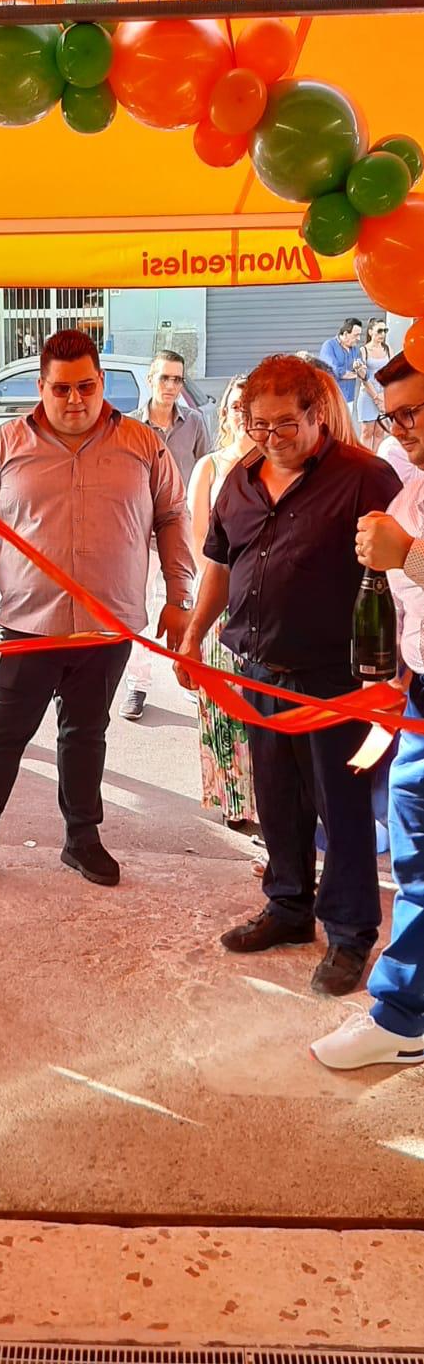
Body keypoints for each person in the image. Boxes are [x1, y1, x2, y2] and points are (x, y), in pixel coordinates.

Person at [0, 328, 195, 896]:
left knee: (86, 733)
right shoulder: (4, 445)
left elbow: (173, 516)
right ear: (40, 388)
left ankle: (82, 838)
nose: (75, 400)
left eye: (86, 387)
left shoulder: (143, 444)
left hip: (107, 627)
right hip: (25, 625)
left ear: (102, 383)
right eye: (61, 388)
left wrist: (179, 597)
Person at [177, 353, 401, 995]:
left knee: (342, 809)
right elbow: (220, 564)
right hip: (257, 671)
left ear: (316, 413)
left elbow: (402, 578)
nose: (270, 438)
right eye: (258, 425)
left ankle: (351, 934)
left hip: (336, 681)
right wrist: (194, 636)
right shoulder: (239, 480)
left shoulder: (366, 477)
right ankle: (288, 908)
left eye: (284, 424)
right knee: (276, 799)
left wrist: (393, 674)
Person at [312, 350, 424, 1067]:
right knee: (415, 859)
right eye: (392, 416)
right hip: (417, 700)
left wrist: (406, 554)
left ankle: (402, 1015)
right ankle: (405, 1012)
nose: (401, 428)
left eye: (413, 412)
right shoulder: (409, 493)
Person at [119, 348, 210, 721]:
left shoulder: (195, 423)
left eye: (177, 379)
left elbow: (205, 469)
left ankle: (186, 675)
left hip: (183, 532)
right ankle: (137, 684)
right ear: (150, 380)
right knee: (139, 609)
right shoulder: (130, 426)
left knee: (187, 605)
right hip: (140, 534)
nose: (171, 386)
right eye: (164, 378)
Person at [187, 377, 257, 829]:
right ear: (225, 413)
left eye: (250, 406)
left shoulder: (278, 465)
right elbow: (199, 541)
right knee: (223, 704)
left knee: (263, 704)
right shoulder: (209, 467)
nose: (242, 414)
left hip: (264, 606)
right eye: (235, 406)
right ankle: (234, 800)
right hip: (219, 603)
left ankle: (270, 798)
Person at [356, 317, 390, 451]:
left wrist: (384, 395)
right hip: (368, 394)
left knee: (380, 432)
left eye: (385, 331)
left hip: (383, 394)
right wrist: (376, 397)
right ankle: (365, 459)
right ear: (370, 332)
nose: (383, 334)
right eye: (379, 331)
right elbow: (363, 378)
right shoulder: (363, 350)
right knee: (367, 431)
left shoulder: (388, 349)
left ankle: (377, 459)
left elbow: (391, 373)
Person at [318, 317, 364, 408]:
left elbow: (363, 371)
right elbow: (336, 371)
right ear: (346, 334)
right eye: (356, 335)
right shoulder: (329, 346)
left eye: (359, 335)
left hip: (349, 400)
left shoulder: (355, 350)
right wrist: (356, 374)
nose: (359, 338)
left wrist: (360, 370)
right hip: (331, 399)